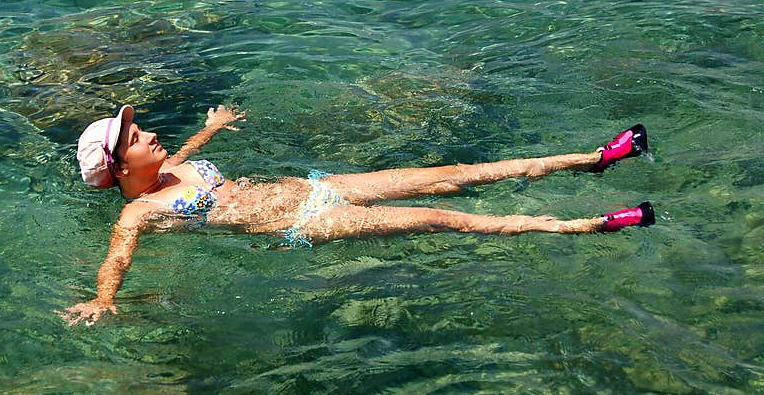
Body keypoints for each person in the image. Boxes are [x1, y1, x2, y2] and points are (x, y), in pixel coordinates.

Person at [60, 104, 655, 326]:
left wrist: (209, 130)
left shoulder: (169, 171)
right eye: (138, 134)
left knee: (455, 175)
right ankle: (584, 224)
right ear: (117, 166)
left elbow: (184, 156)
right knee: (443, 220)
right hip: (303, 225)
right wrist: (105, 299)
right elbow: (119, 252)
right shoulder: (140, 211)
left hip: (317, 186)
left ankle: (594, 159)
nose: (152, 132)